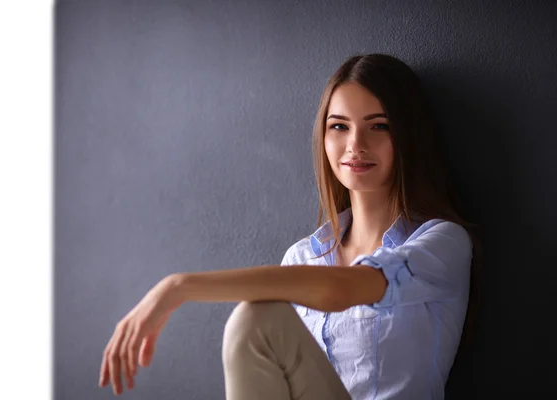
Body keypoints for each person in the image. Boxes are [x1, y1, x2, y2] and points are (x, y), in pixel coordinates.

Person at [98, 53, 481, 399]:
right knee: (255, 320)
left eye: (378, 126)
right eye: (339, 126)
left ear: (407, 135)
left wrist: (178, 287)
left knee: (256, 319)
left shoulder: (442, 244)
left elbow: (342, 290)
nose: (355, 145)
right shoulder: (302, 257)